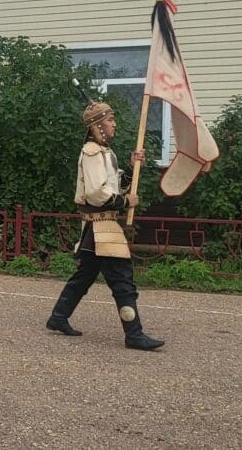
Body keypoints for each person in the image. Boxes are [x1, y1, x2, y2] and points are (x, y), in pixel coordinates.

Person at [45, 101, 165, 351]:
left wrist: (131, 168)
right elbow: (97, 193)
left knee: (84, 276)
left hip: (101, 226)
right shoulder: (91, 152)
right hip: (100, 226)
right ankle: (134, 334)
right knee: (122, 279)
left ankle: (58, 317)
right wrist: (125, 202)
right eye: (110, 120)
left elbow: (116, 185)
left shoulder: (105, 153)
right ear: (97, 126)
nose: (114, 124)